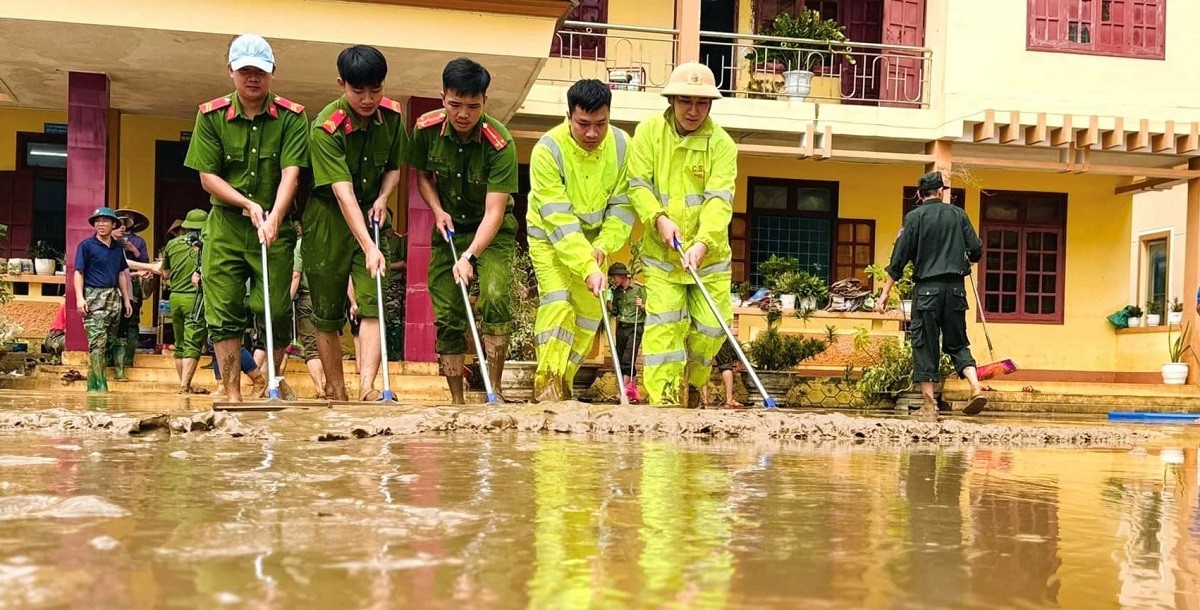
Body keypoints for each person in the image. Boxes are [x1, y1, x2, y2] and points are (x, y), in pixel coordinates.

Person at [184, 33, 308, 402]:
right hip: (225, 225)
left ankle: (272, 378)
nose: (252, 78)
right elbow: (208, 176)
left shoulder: (291, 116)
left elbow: (291, 172)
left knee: (274, 307)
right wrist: (249, 204)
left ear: (272, 73)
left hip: (275, 225)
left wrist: (274, 216)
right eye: (245, 71)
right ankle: (233, 390)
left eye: (260, 71)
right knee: (223, 309)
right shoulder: (211, 115)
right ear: (231, 72)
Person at [627, 62, 737, 408]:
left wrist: (704, 242)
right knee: (664, 331)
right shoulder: (647, 133)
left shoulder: (722, 145)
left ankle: (695, 379)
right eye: (685, 101)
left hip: (709, 259)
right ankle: (664, 404)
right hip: (663, 259)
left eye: (702, 103)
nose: (693, 111)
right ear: (672, 100)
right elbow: (638, 185)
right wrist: (658, 219)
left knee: (710, 328)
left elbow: (720, 200)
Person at [409, 58, 518, 404]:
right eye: (455, 104)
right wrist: (437, 210)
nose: (463, 114)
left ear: (485, 102)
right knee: (448, 313)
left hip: (492, 232)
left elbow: (495, 211)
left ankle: (494, 391)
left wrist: (471, 256)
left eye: (473, 106)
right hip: (449, 230)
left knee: (496, 296)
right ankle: (456, 400)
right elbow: (423, 176)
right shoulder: (425, 130)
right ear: (442, 98)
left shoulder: (500, 142)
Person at [304, 44, 408, 401]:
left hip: (371, 210)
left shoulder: (393, 117)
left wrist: (383, 198)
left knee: (373, 299)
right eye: (358, 90)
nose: (367, 99)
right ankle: (336, 389)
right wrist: (368, 246)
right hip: (328, 216)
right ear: (341, 84)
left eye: (375, 90)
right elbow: (342, 192)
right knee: (327, 308)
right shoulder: (325, 128)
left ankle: (367, 388)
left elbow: (394, 167)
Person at [527, 79, 633, 402]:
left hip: (596, 242)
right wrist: (587, 265)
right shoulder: (548, 150)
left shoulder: (621, 146)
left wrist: (601, 246)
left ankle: (565, 382)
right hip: (550, 239)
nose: (592, 134)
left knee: (588, 319)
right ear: (569, 116)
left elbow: (622, 207)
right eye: (583, 124)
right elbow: (558, 219)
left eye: (600, 124)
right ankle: (547, 387)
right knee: (558, 304)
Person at [876, 171, 987, 418]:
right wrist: (969, 260)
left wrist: (885, 293)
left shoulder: (914, 218)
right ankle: (976, 387)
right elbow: (976, 248)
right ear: (941, 191)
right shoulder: (958, 215)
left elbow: (899, 257)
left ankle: (929, 404)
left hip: (927, 290)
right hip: (956, 290)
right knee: (957, 341)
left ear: (919, 194)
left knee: (924, 343)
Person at [73, 206, 133, 392]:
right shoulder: (86, 246)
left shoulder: (117, 248)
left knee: (107, 343)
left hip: (113, 298)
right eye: (97, 221)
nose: (101, 224)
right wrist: (79, 298)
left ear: (113, 224)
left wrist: (126, 300)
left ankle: (92, 387)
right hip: (93, 297)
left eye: (105, 221)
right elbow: (78, 272)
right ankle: (101, 387)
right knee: (96, 343)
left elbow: (122, 274)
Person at [161, 208, 209, 393]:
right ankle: (184, 385)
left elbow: (165, 273)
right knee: (192, 343)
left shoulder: (172, 244)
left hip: (175, 298)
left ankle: (183, 385)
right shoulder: (207, 245)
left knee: (179, 343)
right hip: (194, 299)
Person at [291, 232, 327, 398]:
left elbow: (296, 275)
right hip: (329, 298)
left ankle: (320, 389)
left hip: (307, 299)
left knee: (312, 349)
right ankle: (330, 386)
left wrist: (287, 301)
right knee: (328, 343)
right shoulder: (330, 243)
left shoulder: (300, 245)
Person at [607, 262, 645, 400]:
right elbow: (615, 312)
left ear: (622, 276)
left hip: (635, 326)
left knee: (628, 359)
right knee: (621, 358)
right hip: (621, 327)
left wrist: (642, 306)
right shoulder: (616, 292)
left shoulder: (639, 289)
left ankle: (623, 393)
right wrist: (608, 302)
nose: (612, 280)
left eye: (614, 277)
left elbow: (651, 309)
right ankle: (632, 392)